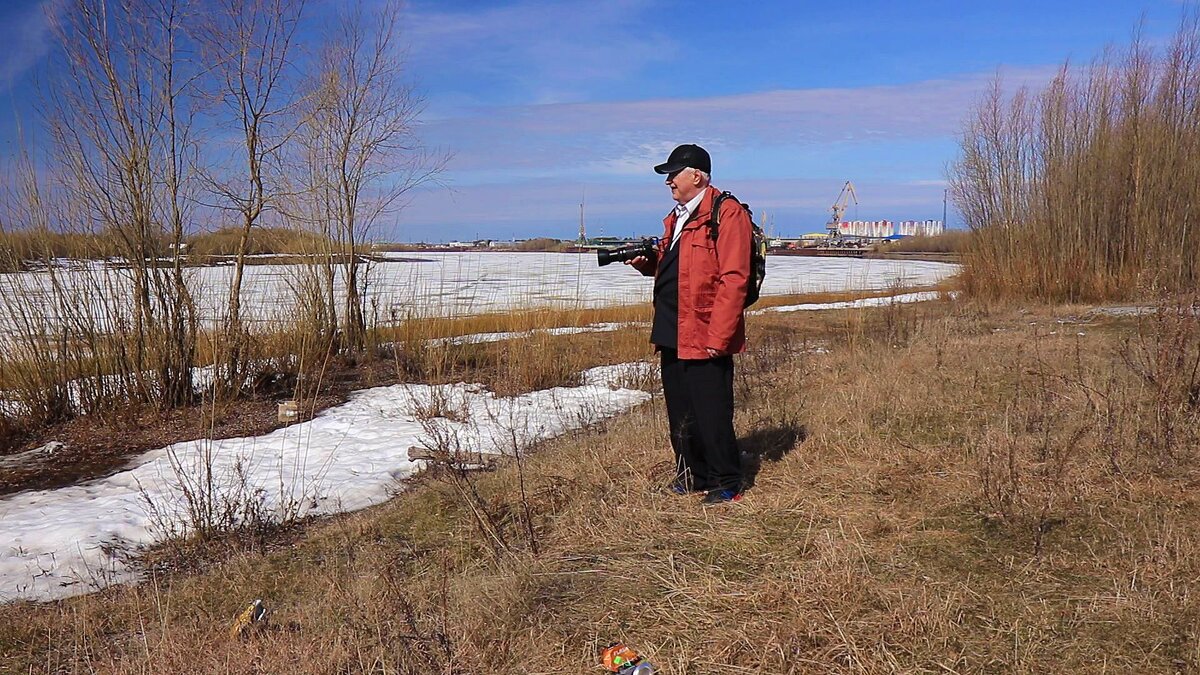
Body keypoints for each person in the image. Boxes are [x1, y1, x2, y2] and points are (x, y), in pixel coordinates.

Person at [627, 143, 751, 504]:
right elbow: (678, 269)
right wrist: (647, 264)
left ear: (696, 175)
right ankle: (692, 475)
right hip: (671, 329)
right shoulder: (677, 217)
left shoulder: (726, 213)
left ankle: (726, 482)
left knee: (710, 411)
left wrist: (720, 335)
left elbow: (734, 278)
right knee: (680, 411)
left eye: (672, 174)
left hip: (704, 331)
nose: (668, 182)